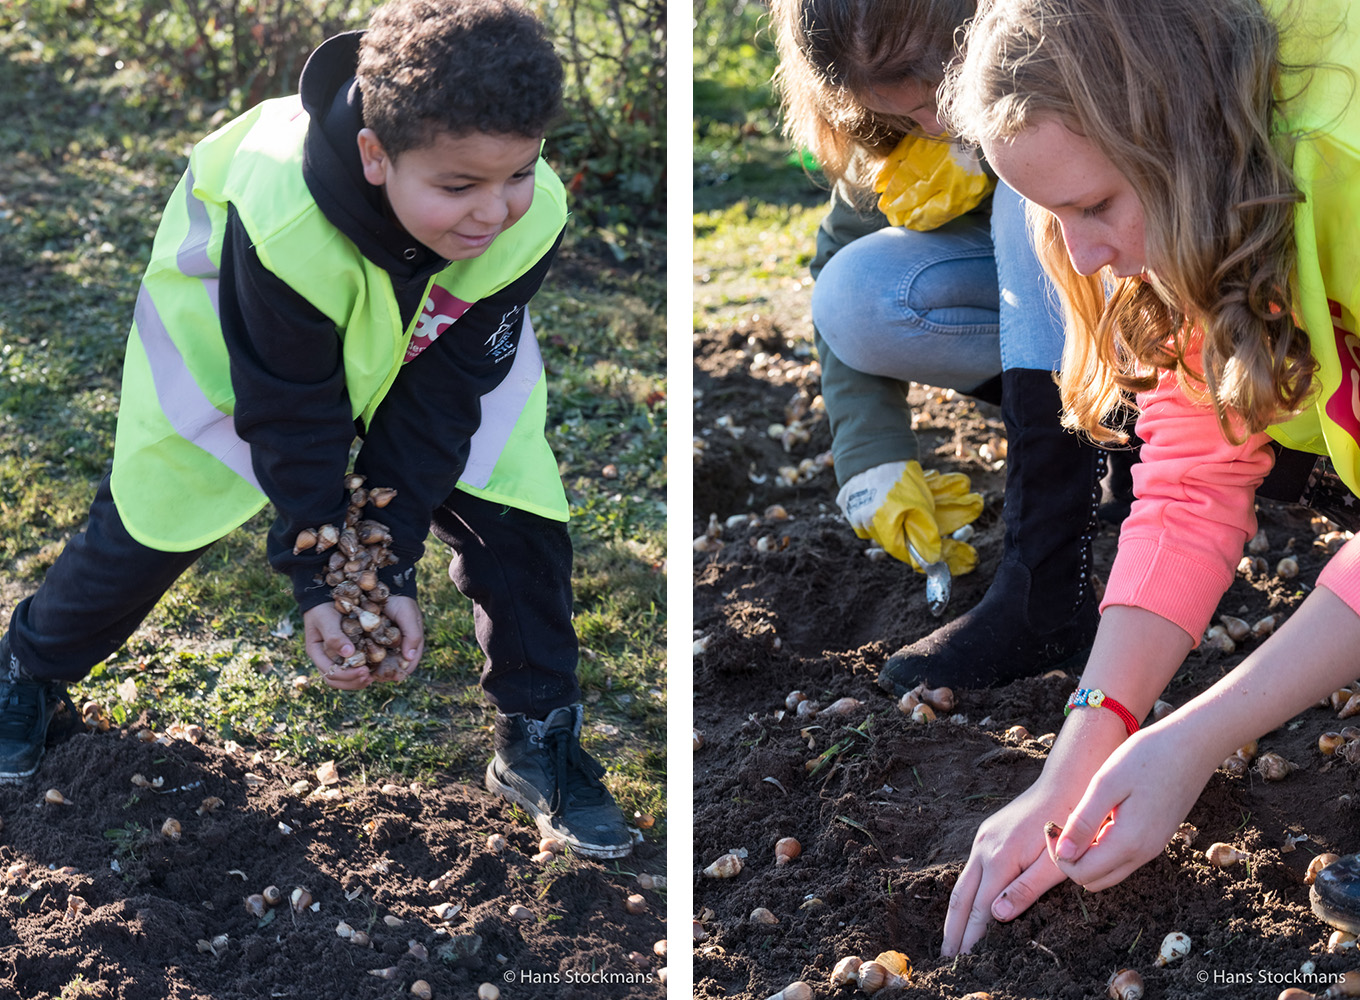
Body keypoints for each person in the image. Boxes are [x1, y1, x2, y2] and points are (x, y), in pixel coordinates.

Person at [0, 0, 633, 859]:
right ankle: (26, 675)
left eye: (517, 173)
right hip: (241, 343)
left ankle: (539, 735)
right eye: (458, 187)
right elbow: (293, 414)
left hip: (430, 336)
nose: (494, 213)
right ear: (376, 156)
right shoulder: (286, 217)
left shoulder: (531, 216)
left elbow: (438, 409)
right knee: (155, 516)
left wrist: (388, 560)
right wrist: (320, 581)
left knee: (515, 515)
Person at [935, 0, 1360, 955]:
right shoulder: (1209, 176)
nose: (1081, 254)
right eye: (1052, 213)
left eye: (1096, 205)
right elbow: (1193, 480)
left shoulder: (1348, 159)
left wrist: (1199, 735)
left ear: (1184, 140)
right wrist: (1083, 754)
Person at [768, 0, 1136, 695]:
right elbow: (839, 248)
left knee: (1025, 199)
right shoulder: (890, 97)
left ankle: (1047, 574)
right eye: (909, 117)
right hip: (1060, 323)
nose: (935, 125)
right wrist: (869, 455)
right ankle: (1107, 441)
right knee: (858, 296)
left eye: (940, 95)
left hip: (1155, 279)